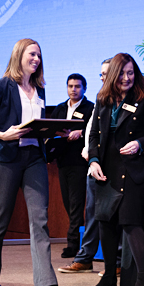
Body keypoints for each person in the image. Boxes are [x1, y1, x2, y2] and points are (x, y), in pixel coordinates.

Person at [0, 38, 71, 286]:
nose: (37, 59)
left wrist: (56, 131)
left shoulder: (39, 88)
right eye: (32, 54)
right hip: (5, 158)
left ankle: (45, 285)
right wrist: (2, 135)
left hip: (33, 159)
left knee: (39, 220)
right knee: (1, 219)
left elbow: (36, 126)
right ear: (19, 55)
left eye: (39, 55)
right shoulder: (2, 86)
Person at [87, 52, 144, 286]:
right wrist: (94, 160)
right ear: (113, 75)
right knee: (105, 222)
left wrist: (139, 144)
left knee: (130, 223)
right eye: (123, 73)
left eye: (131, 73)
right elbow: (94, 134)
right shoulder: (103, 98)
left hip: (132, 171)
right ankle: (109, 276)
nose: (127, 78)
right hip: (106, 169)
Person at [58, 59, 118, 274]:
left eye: (106, 73)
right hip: (93, 163)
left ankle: (117, 261)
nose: (103, 77)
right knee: (91, 212)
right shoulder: (101, 98)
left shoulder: (126, 99)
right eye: (101, 74)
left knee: (113, 213)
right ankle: (85, 258)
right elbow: (93, 130)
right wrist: (91, 154)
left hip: (114, 165)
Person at [47, 73, 94, 259]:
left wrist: (80, 132)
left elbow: (94, 131)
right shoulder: (59, 108)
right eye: (70, 86)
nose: (73, 89)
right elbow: (52, 131)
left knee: (76, 204)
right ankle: (78, 239)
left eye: (77, 86)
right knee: (68, 203)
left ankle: (73, 244)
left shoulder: (90, 108)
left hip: (80, 162)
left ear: (84, 88)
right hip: (63, 161)